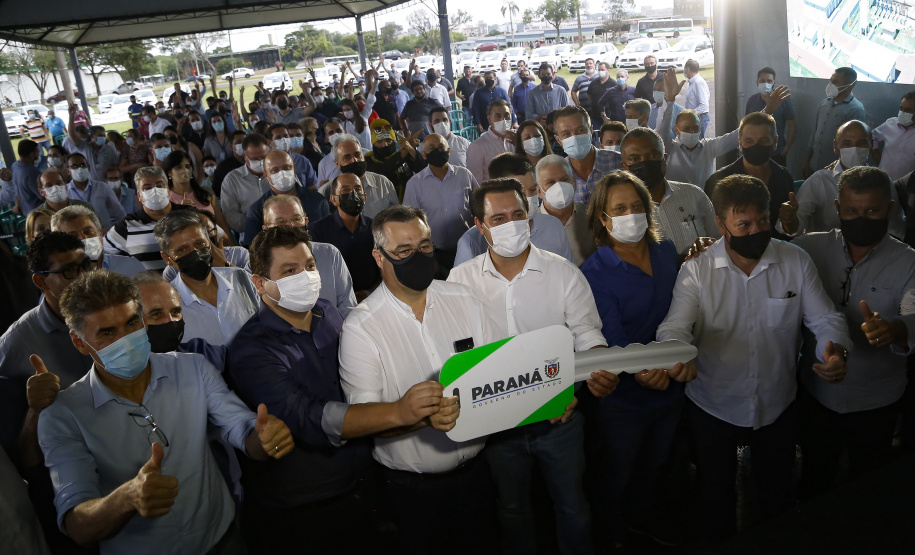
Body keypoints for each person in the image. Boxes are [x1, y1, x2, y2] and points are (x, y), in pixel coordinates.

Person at [37, 270, 293, 554]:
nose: (126, 338)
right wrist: (126, 498)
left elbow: (243, 431)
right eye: (107, 333)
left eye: (133, 322)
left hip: (223, 538)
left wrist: (265, 438)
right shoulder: (62, 416)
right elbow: (77, 525)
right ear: (79, 342)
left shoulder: (193, 369)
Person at [656, 174, 851, 542]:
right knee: (716, 495)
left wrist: (835, 348)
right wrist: (677, 355)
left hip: (777, 403)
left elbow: (825, 318)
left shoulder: (795, 260)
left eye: (762, 221)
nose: (756, 230)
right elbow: (675, 326)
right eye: (743, 224)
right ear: (720, 224)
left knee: (777, 494)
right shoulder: (696, 269)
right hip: (713, 404)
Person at [448, 178, 617, 555]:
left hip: (559, 419)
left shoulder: (563, 273)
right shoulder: (460, 280)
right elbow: (454, 351)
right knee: (511, 510)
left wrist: (597, 369)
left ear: (530, 217)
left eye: (518, 214)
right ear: (480, 225)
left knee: (573, 505)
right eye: (498, 218)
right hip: (496, 428)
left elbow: (587, 335)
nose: (511, 224)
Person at [338, 205, 498, 555]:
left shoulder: (465, 300)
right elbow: (365, 417)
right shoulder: (361, 328)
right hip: (410, 492)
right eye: (404, 251)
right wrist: (421, 417)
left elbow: (499, 373)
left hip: (478, 476)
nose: (419, 256)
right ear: (379, 258)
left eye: (424, 246)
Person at [221, 224, 374, 552]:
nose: (305, 277)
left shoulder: (329, 312)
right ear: (261, 283)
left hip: (360, 478)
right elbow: (308, 418)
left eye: (309, 266)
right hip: (305, 501)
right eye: (290, 271)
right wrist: (397, 414)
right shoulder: (251, 349)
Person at [580, 170, 689, 549]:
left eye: (637, 206)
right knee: (618, 472)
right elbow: (611, 336)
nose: (630, 214)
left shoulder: (664, 251)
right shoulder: (594, 272)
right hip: (623, 399)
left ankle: (642, 525)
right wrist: (641, 370)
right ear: (603, 220)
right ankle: (612, 536)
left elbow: (682, 312)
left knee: (657, 465)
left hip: (670, 387)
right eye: (619, 208)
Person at [791, 166, 915, 498]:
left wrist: (895, 328)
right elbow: (763, 258)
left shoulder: (908, 261)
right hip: (817, 395)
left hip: (877, 401)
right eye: (852, 211)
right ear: (837, 209)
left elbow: (914, 312)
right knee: (814, 478)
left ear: (889, 209)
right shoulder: (809, 249)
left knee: (868, 486)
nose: (861, 219)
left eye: (872, 211)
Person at [0, 231, 95, 554]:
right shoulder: (17, 345)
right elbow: (19, 451)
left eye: (86, 265)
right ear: (41, 282)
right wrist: (35, 408)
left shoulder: (109, 310)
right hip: (64, 479)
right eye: (69, 271)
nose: (82, 277)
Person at [778, 120, 905, 240]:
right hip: (827, 254)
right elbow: (795, 227)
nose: (854, 149)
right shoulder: (819, 182)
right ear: (836, 146)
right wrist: (789, 221)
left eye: (861, 143)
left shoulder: (883, 182)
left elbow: (894, 227)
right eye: (847, 143)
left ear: (871, 145)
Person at [155, 210, 259, 346]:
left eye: (199, 244)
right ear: (167, 258)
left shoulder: (240, 278)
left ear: (209, 244)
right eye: (182, 249)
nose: (195, 253)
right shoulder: (169, 306)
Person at [455, 153, 574, 265]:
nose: (528, 198)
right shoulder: (471, 242)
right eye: (519, 193)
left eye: (532, 190)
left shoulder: (552, 226)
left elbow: (569, 274)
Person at [619, 127, 719, 257]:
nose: (645, 162)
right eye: (635, 159)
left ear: (664, 159)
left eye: (652, 155)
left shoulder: (694, 195)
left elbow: (718, 241)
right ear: (625, 167)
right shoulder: (620, 211)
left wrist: (708, 244)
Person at [261, 194, 357, 317]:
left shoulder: (330, 254)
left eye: (296, 219)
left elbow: (347, 305)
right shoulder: (258, 263)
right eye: (281, 222)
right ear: (266, 229)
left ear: (306, 221)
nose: (291, 226)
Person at [706, 112, 794, 240]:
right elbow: (711, 231)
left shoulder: (784, 177)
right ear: (740, 143)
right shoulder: (718, 182)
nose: (756, 146)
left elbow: (788, 230)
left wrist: (790, 221)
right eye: (749, 141)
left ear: (775, 142)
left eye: (763, 141)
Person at [404, 133, 479, 273]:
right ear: (424, 155)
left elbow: (479, 206)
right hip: (435, 254)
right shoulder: (415, 184)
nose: (437, 150)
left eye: (441, 146)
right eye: (432, 148)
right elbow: (410, 222)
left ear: (448, 151)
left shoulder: (464, 175)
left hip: (468, 246)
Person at [657, 68, 739, 187]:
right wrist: (669, 100)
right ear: (676, 129)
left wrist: (766, 112)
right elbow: (663, 129)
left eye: (695, 128)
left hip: (703, 203)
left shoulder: (709, 147)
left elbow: (737, 136)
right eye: (686, 128)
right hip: (677, 203)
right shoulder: (669, 149)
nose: (692, 132)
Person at [309, 173, 380, 300]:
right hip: (333, 303)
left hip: (372, 299)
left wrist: (369, 293)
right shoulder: (317, 231)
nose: (353, 194)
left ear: (364, 197)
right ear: (333, 199)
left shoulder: (376, 228)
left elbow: (385, 270)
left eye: (357, 189)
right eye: (345, 190)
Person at [243, 150, 330, 246]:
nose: (282, 173)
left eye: (286, 168)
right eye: (275, 170)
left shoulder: (317, 200)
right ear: (266, 175)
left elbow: (329, 236)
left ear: (294, 168)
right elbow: (253, 248)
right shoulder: (257, 209)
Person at [105, 166, 181, 270]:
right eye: (148, 188)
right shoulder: (127, 226)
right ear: (139, 195)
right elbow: (102, 255)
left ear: (168, 190)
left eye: (159, 186)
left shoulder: (189, 216)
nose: (155, 191)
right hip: (150, 285)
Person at [803, 67, 867, 178]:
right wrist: (807, 160)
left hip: (836, 172)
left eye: (835, 82)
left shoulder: (856, 110)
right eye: (831, 81)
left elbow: (854, 147)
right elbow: (815, 134)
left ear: (849, 86)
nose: (830, 85)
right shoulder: (825, 103)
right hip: (815, 165)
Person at [551, 106, 622, 204]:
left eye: (580, 130)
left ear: (591, 130)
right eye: (566, 134)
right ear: (559, 140)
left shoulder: (619, 162)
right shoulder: (557, 174)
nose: (574, 137)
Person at [51, 204, 146, 276]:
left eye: (88, 231)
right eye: (73, 236)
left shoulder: (132, 266)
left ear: (101, 234)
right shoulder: (61, 277)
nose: (83, 238)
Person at [535, 155, 595, 266]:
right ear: (539, 191)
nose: (559, 186)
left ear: (574, 182)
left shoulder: (591, 215)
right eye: (551, 182)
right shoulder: (532, 226)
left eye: (564, 179)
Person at [321, 135, 398, 218]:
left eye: (357, 154)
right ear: (337, 164)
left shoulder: (383, 183)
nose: (354, 160)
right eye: (347, 157)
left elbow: (398, 218)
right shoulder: (326, 191)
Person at [162, 150, 234, 241]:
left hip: (215, 243)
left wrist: (232, 247)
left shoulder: (206, 193)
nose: (185, 170)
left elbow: (221, 224)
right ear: (169, 172)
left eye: (187, 166)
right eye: (178, 167)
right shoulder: (165, 198)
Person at [220, 133, 272, 238]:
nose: (260, 162)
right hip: (252, 238)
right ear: (245, 156)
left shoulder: (280, 171)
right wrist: (258, 222)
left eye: (263, 157)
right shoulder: (232, 180)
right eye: (254, 159)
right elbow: (230, 214)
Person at [745, 67, 796, 167]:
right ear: (757, 83)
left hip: (777, 154)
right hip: (754, 152)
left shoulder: (783, 101)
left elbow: (793, 126)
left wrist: (786, 150)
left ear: (774, 82)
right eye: (762, 81)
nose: (765, 84)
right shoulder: (752, 101)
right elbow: (746, 126)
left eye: (769, 81)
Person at [365, 118, 424, 196]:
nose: (385, 144)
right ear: (373, 144)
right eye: (379, 141)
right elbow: (384, 170)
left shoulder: (404, 155)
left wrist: (410, 148)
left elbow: (422, 168)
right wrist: (405, 151)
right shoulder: (368, 160)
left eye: (388, 140)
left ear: (394, 141)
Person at [65, 152, 126, 227]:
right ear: (68, 171)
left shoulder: (102, 187)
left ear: (89, 167)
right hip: (81, 234)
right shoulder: (65, 192)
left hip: (105, 233)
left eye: (82, 165)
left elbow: (119, 212)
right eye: (74, 166)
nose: (79, 169)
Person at [467, 99, 516, 183]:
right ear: (489, 119)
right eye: (498, 116)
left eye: (507, 115)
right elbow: (475, 183)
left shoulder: (518, 138)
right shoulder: (478, 146)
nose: (503, 119)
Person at [873, 89, 915, 181]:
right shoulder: (890, 124)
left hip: (908, 187)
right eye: (901, 108)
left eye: (908, 110)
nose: (902, 113)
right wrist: (876, 155)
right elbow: (872, 137)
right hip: (884, 181)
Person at [266, 123, 319, 189]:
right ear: (270, 142)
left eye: (286, 136)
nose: (284, 140)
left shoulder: (302, 160)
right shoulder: (266, 163)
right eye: (278, 137)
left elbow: (313, 185)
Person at [1, 140, 46, 214]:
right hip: (37, 211)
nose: (39, 154)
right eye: (37, 151)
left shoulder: (15, 166)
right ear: (32, 154)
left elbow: (15, 188)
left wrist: (18, 205)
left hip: (25, 209)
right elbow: (42, 196)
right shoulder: (31, 171)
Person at [211, 130, 247, 197]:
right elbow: (217, 192)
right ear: (231, 147)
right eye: (239, 142)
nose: (243, 144)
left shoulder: (254, 162)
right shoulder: (223, 168)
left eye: (245, 141)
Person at [681, 60, 711, 138]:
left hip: (699, 118)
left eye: (685, 69)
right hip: (694, 118)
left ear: (688, 69)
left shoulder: (698, 83)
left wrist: (689, 114)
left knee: (698, 145)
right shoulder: (691, 82)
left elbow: (704, 106)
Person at [586, 62, 615, 131]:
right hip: (595, 116)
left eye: (602, 70)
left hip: (609, 116)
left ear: (608, 70)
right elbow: (588, 96)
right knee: (596, 135)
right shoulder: (593, 83)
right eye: (599, 70)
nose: (600, 72)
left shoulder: (613, 84)